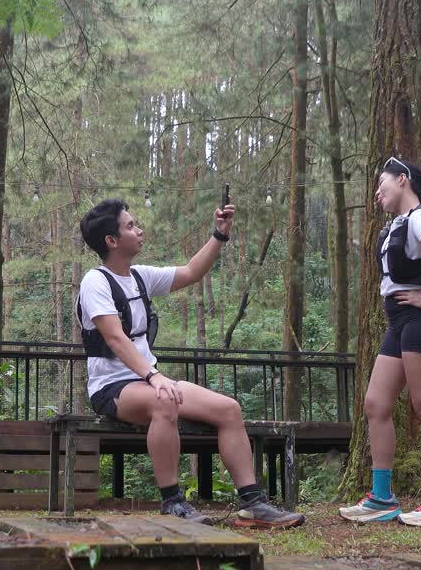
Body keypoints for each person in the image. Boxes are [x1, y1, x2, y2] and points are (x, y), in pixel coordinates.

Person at [76, 197, 305, 528]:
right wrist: (154, 377)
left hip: (148, 380)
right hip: (111, 387)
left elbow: (191, 272)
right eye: (130, 226)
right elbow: (115, 338)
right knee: (164, 403)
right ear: (111, 241)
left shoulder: (139, 277)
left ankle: (253, 505)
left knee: (229, 409)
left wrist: (220, 234)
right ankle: (172, 502)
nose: (139, 230)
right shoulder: (94, 281)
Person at [338, 156, 421, 527]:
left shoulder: (420, 217)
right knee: (376, 404)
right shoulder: (397, 224)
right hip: (399, 322)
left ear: (403, 180)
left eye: (382, 184)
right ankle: (382, 497)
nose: (377, 192)